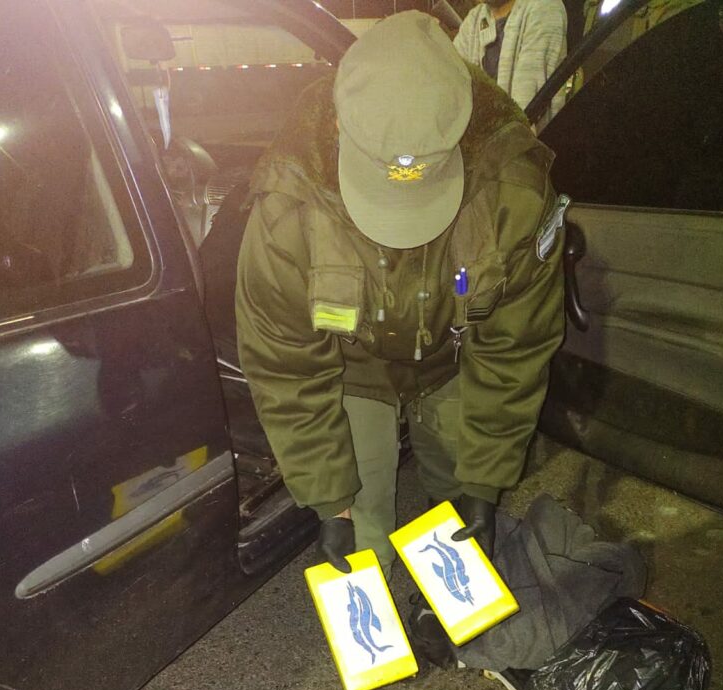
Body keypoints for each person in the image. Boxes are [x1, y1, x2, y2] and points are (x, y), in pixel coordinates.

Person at [235, 11, 566, 586]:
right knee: (358, 537)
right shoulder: (287, 212)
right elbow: (288, 370)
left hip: (453, 361)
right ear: (338, 127)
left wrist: (483, 484)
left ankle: (451, 612)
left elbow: (514, 350)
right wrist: (330, 501)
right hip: (351, 369)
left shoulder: (514, 194)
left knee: (461, 511)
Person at [453, 0, 568, 124]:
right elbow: (451, 88)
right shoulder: (474, 18)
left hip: (520, 132)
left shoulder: (544, 8)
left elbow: (524, 108)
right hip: (482, 131)